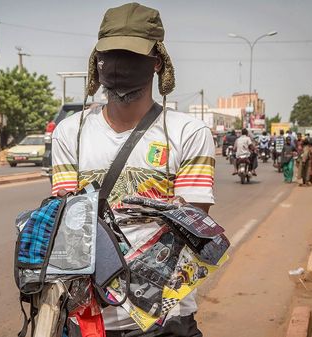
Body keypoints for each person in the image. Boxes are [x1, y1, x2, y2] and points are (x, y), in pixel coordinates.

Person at [51, 3, 212, 336]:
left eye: (131, 55)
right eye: (110, 55)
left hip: (164, 318)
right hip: (89, 318)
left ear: (157, 62)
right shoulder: (71, 132)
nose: (119, 66)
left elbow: (192, 226)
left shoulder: (188, 133)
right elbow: (68, 221)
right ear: (97, 61)